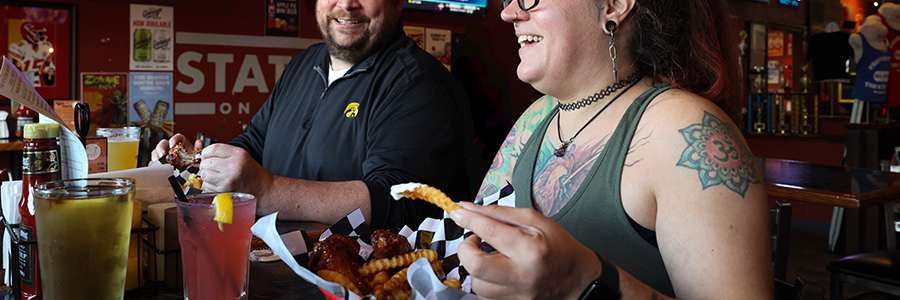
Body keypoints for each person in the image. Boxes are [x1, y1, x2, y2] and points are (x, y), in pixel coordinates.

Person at [449, 0, 771, 298]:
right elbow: (472, 240)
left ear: (614, 6)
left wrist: (584, 281)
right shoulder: (537, 117)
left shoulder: (686, 129)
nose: (509, 13)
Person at [152, 0, 467, 230]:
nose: (346, 4)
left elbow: (400, 201)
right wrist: (201, 159)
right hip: (272, 267)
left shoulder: (417, 82)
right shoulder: (305, 62)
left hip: (348, 283)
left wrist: (266, 190)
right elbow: (257, 142)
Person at [8, 22, 56, 88]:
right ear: (28, 34)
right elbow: (17, 67)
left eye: (41, 33)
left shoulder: (45, 46)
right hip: (23, 84)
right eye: (38, 33)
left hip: (38, 83)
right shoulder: (17, 47)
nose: (40, 36)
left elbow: (49, 67)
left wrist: (48, 67)